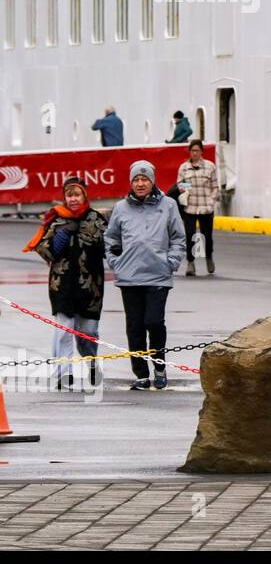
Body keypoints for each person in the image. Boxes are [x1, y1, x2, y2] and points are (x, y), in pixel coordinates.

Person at [105, 160, 185, 391]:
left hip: (158, 275)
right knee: (135, 326)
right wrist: (116, 262)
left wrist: (170, 263)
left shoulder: (168, 205)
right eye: (136, 180)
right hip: (129, 277)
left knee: (154, 322)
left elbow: (178, 237)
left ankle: (159, 367)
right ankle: (140, 374)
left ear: (152, 181)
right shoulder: (121, 208)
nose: (140, 183)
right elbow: (111, 238)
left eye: (144, 179)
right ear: (131, 183)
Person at [25, 177, 107, 391]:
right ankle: (64, 374)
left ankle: (91, 362)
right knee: (63, 330)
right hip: (62, 284)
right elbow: (44, 250)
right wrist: (59, 238)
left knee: (88, 331)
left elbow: (110, 246)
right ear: (64, 197)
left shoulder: (96, 219)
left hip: (91, 286)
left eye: (77, 195)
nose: (73, 199)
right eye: (69, 195)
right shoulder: (56, 220)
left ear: (84, 196)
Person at [176, 139, 219, 276]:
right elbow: (180, 185)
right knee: (190, 235)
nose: (195, 153)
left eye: (197, 151)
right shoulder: (183, 168)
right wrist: (188, 190)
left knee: (207, 236)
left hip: (206, 207)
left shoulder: (210, 167)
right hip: (190, 207)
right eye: (192, 151)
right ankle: (190, 262)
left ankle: (209, 258)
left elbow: (215, 186)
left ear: (201, 151)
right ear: (189, 152)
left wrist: (211, 200)